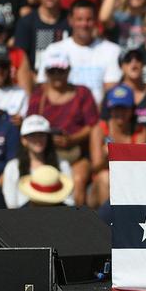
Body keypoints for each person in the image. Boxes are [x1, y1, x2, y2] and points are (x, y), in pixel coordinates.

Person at [28, 51, 99, 207]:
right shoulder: (38, 95)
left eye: (60, 71)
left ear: (68, 70)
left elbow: (92, 125)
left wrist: (72, 139)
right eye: (52, 71)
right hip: (45, 154)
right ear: (46, 73)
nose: (57, 75)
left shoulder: (82, 93)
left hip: (77, 154)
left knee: (78, 183)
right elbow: (31, 124)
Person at [0, 115, 72, 208]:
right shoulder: (13, 167)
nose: (38, 140)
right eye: (33, 136)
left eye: (41, 135)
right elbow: (11, 204)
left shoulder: (62, 164)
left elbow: (69, 199)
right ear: (24, 140)